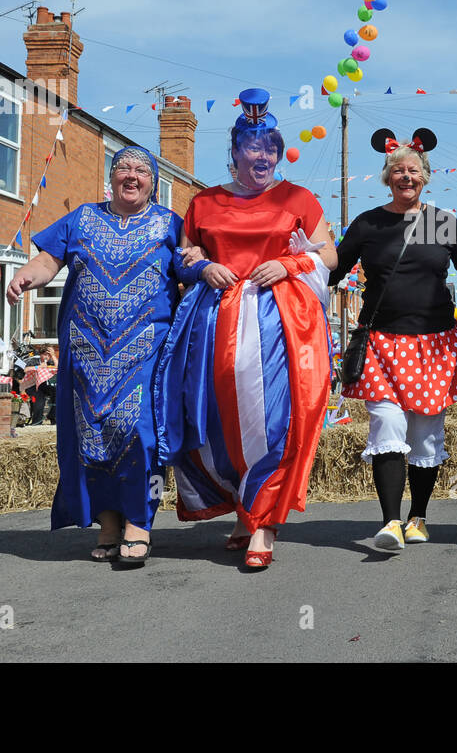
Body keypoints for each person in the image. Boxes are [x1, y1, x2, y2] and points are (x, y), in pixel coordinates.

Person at [156, 89, 335, 571]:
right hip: (214, 325)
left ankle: (265, 523)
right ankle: (243, 507)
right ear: (234, 151)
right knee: (219, 421)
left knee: (273, 419)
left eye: (271, 147)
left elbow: (329, 256)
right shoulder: (206, 201)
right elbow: (184, 254)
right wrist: (202, 267)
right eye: (253, 147)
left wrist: (291, 263)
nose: (264, 156)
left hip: (280, 324)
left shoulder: (298, 197)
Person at [7, 145, 182, 568]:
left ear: (153, 182)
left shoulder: (169, 224)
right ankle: (107, 524)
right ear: (112, 176)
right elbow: (50, 258)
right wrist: (26, 275)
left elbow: (190, 266)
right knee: (94, 436)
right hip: (86, 352)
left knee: (140, 433)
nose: (132, 176)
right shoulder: (83, 218)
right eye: (124, 168)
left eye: (142, 170)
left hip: (145, 352)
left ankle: (140, 522)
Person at [328, 127, 457, 551]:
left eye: (413, 170)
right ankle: (391, 522)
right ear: (387, 177)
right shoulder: (369, 223)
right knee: (388, 424)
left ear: (425, 176)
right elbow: (334, 271)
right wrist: (302, 259)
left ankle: (418, 517)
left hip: (435, 344)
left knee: (427, 435)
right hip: (381, 342)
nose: (405, 176)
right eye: (397, 170)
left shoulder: (444, 223)